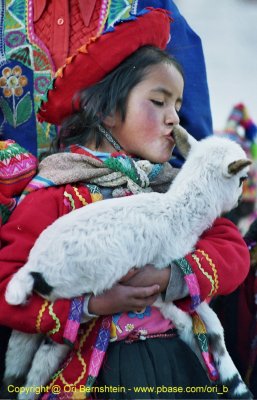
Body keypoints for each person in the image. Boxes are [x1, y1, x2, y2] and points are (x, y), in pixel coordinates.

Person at [0, 8, 249, 400]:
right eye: (158, 102)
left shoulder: (172, 192)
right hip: (94, 380)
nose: (175, 120)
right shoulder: (57, 195)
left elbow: (231, 251)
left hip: (176, 372)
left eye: (178, 107)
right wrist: (92, 304)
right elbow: (9, 288)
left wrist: (170, 278)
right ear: (107, 110)